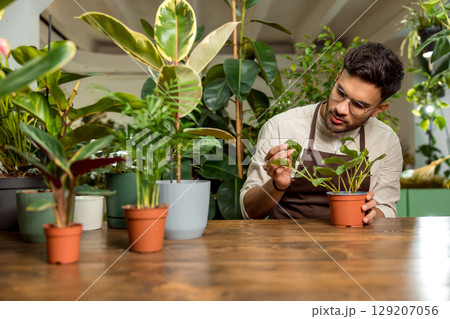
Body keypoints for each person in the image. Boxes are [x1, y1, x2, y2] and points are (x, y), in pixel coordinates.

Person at [240, 42, 404, 223]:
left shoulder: (386, 141)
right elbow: (250, 211)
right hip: (284, 247)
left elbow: (387, 208)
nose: (341, 108)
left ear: (379, 109)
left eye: (359, 105)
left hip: (355, 247)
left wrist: (376, 214)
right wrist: (277, 185)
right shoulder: (281, 127)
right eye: (340, 92)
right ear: (337, 77)